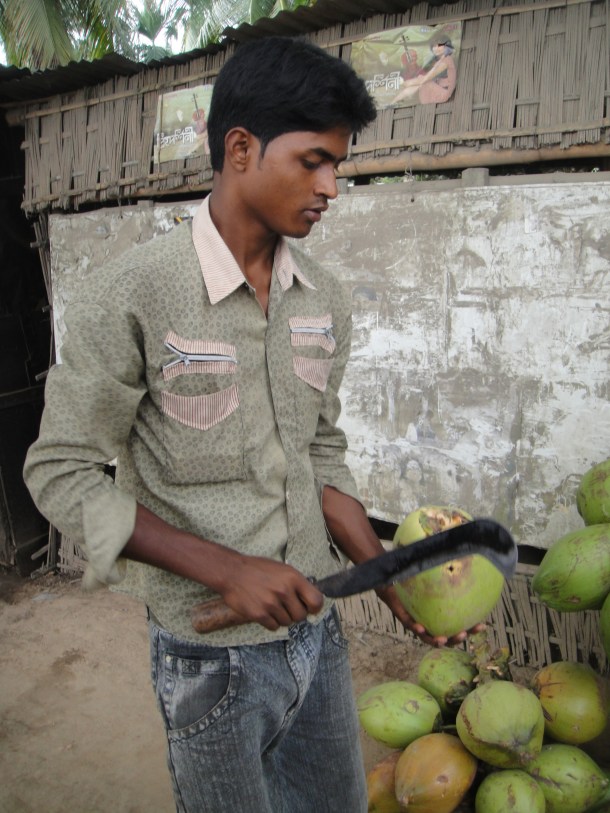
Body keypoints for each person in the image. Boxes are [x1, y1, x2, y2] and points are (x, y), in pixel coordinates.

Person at [24, 36, 472, 813]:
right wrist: (227, 567)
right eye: (314, 161)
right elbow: (59, 471)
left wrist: (385, 575)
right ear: (240, 149)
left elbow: (318, 449)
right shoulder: (131, 293)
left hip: (318, 636)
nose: (332, 186)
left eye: (338, 164)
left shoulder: (323, 297)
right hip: (210, 657)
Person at [392, 33, 457, 105]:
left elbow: (426, 78)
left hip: (444, 93)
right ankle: (394, 101)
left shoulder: (447, 59)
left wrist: (407, 83)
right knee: (421, 82)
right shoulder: (437, 61)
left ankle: (394, 101)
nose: (436, 48)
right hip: (436, 91)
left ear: (446, 46)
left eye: (439, 45)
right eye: (434, 46)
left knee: (424, 82)